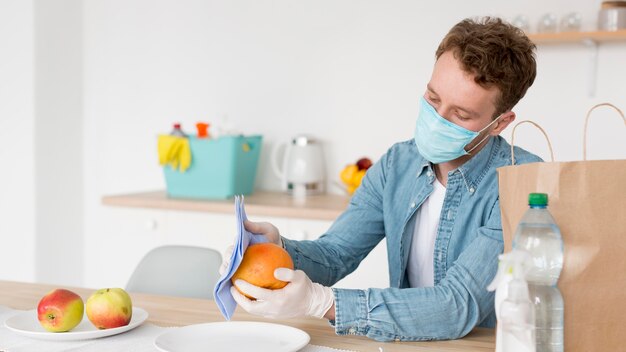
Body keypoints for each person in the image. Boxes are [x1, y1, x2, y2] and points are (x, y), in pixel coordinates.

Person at [222, 17, 542, 342]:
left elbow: (457, 305)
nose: (438, 119)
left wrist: (324, 304)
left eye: (461, 114)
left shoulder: (521, 182)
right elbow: (337, 253)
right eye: (433, 98)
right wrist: (277, 249)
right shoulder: (397, 164)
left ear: (500, 123)